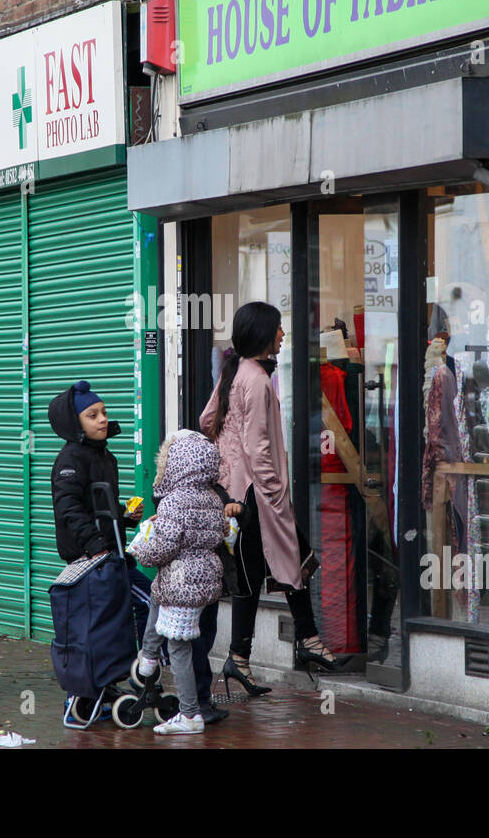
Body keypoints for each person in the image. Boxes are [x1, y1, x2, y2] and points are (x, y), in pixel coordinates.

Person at [201, 301, 349, 695]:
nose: (283, 335)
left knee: (276, 565)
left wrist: (229, 460)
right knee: (289, 561)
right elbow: (258, 445)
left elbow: (206, 421)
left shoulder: (235, 372)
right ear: (265, 335)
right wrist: (273, 490)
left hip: (237, 491)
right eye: (279, 329)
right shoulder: (258, 380)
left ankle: (260, 654)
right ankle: (297, 644)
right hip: (257, 496)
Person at [130, 430, 233, 734]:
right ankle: (148, 657)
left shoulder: (174, 501)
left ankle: (190, 714)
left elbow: (164, 547)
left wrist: (139, 549)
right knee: (155, 595)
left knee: (178, 647)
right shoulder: (213, 498)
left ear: (174, 464)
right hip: (201, 577)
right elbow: (218, 534)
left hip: (182, 578)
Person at [48, 380, 149, 640]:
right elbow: (68, 507)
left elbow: (97, 506)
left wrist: (124, 515)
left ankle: (117, 674)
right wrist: (95, 546)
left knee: (108, 621)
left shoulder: (105, 456)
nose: (102, 420)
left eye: (103, 412)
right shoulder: (71, 459)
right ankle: (148, 670)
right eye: (92, 416)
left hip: (109, 554)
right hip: (92, 559)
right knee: (148, 601)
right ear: (75, 423)